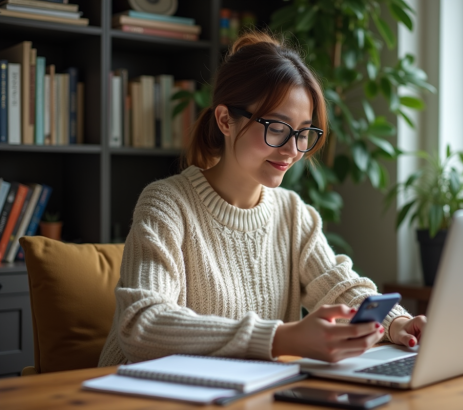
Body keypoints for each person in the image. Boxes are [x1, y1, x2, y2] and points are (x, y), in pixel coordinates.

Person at [98, 32, 426, 367]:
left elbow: (338, 287)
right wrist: (281, 338)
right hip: (141, 393)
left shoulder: (293, 213)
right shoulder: (166, 205)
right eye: (278, 128)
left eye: (303, 132)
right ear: (225, 120)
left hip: (245, 391)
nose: (292, 149)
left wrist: (395, 323)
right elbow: (141, 326)